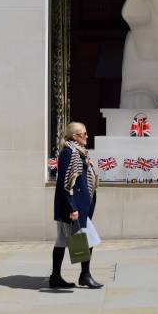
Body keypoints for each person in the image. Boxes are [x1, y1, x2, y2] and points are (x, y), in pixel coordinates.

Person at [50, 121, 103, 289]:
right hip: (72, 207)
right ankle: (84, 275)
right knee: (87, 239)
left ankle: (55, 277)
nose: (87, 136)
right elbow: (65, 183)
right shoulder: (69, 153)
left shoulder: (79, 153)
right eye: (84, 134)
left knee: (62, 241)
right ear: (75, 136)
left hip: (76, 205)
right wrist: (72, 207)